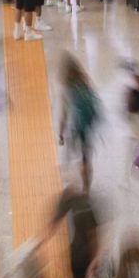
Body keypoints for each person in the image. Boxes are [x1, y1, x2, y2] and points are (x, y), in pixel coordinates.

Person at [58, 56, 102, 192]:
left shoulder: (66, 88)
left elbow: (64, 114)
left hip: (76, 126)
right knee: (85, 156)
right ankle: (86, 188)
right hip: (88, 124)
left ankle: (70, 169)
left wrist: (60, 133)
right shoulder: (85, 80)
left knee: (71, 150)